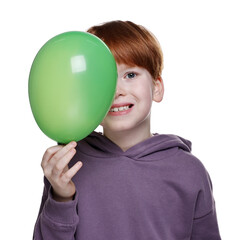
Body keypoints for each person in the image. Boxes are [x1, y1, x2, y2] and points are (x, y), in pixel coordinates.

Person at [33, 21, 221, 239]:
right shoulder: (68, 166)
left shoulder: (189, 171)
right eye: (102, 78)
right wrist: (61, 198)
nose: (117, 91)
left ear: (157, 87)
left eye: (130, 75)